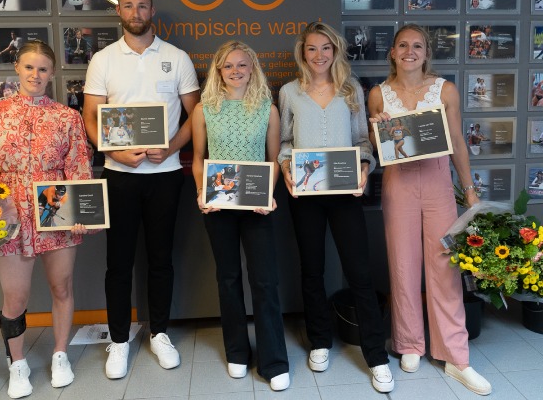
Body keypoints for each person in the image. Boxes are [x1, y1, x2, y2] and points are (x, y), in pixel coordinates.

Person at [82, 0, 200, 380]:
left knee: (161, 260)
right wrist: (112, 153)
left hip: (165, 176)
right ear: (120, 12)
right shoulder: (102, 60)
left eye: (143, 6)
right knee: (119, 262)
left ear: (153, 10)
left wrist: (170, 149)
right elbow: (90, 118)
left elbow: (195, 116)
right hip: (120, 176)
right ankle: (118, 339)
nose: (136, 13)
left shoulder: (177, 57)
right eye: (128, 6)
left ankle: (160, 333)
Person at [368, 24, 492, 396]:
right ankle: (409, 343)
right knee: (402, 265)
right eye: (402, 45)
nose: (409, 51)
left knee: (444, 267)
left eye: (417, 45)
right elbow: (378, 152)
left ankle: (456, 355)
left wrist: (469, 190)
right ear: (392, 52)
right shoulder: (379, 94)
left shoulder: (445, 89)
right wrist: (380, 132)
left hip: (437, 183)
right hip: (398, 184)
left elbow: (457, 142)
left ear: (426, 53)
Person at [0, 40, 94, 399]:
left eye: (42, 69)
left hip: (55, 212)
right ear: (16, 69)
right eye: (29, 67)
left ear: (52, 73)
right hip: (10, 217)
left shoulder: (67, 117)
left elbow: (78, 169)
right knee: (15, 297)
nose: (35, 75)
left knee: (62, 288)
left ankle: (60, 355)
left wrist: (82, 212)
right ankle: (17, 364)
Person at [278, 21, 393, 393]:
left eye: (326, 48)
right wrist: (285, 169)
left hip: (345, 194)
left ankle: (376, 356)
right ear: (302, 52)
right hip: (305, 195)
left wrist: (364, 168)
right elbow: (283, 144)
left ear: (336, 51)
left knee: (359, 272)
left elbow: (363, 141)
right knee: (312, 270)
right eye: (312, 48)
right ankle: (320, 342)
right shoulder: (289, 92)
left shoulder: (351, 92)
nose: (319, 55)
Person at [191, 40, 290, 391]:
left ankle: (274, 360)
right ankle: (237, 352)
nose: (235, 71)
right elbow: (198, 159)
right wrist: (203, 193)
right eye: (228, 66)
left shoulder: (267, 109)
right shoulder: (204, 109)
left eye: (242, 65)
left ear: (252, 69)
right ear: (219, 71)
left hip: (256, 205)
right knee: (228, 279)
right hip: (218, 206)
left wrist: (269, 194)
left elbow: (273, 159)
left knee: (265, 281)